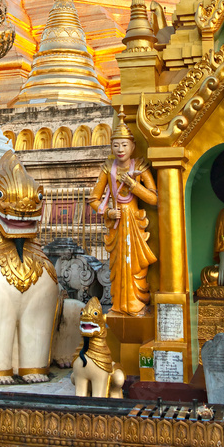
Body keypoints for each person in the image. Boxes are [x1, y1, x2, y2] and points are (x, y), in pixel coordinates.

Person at [89, 108, 157, 315]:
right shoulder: (108, 167)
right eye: (116, 145)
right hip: (117, 224)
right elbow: (93, 198)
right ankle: (119, 305)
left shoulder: (140, 166)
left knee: (135, 265)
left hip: (134, 223)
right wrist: (108, 213)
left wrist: (134, 185)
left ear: (133, 146)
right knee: (118, 266)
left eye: (124, 144)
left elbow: (154, 198)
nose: (120, 149)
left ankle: (136, 304)